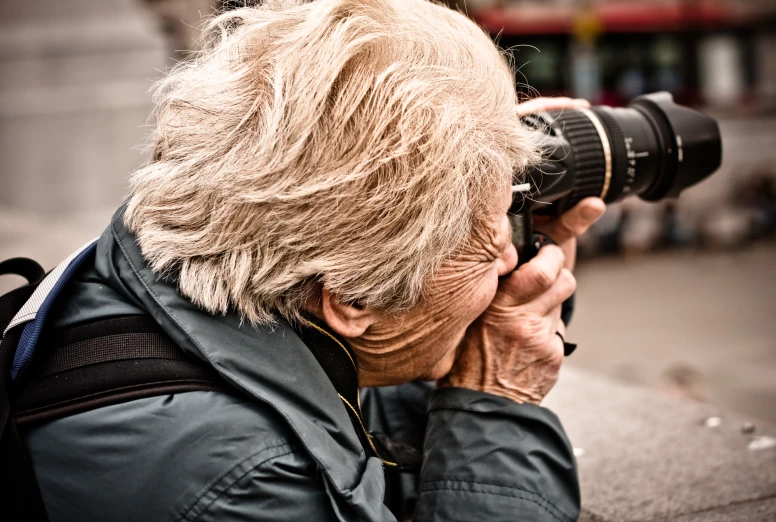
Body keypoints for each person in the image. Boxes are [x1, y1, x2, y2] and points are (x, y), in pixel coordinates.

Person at [21, 0, 605, 520]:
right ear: (354, 298)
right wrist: (496, 401)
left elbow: (347, 412)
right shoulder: (246, 480)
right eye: (492, 235)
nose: (509, 253)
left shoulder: (189, 264)